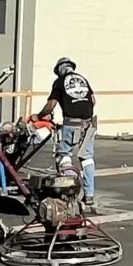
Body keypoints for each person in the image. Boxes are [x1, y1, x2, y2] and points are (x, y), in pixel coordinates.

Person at [38, 56, 98, 214]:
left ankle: (71, 192)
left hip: (72, 123)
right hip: (89, 123)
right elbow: (93, 100)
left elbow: (51, 104)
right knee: (87, 158)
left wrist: (39, 116)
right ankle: (89, 194)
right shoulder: (83, 79)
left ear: (59, 70)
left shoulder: (59, 82)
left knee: (64, 156)